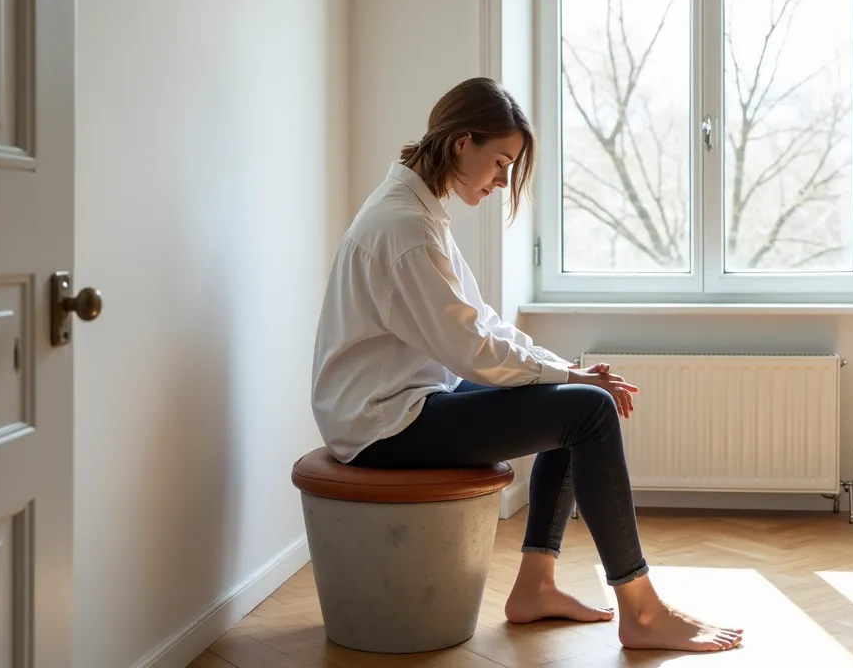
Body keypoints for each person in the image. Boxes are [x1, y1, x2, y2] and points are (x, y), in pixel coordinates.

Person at [310, 77, 742, 652]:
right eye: (501, 162)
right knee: (587, 412)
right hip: (381, 426)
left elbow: (481, 322)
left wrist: (565, 369)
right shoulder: (406, 228)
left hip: (402, 401)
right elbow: (472, 350)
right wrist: (572, 379)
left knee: (571, 405)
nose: (501, 180)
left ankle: (536, 586)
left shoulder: (418, 210)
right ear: (463, 142)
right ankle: (640, 610)